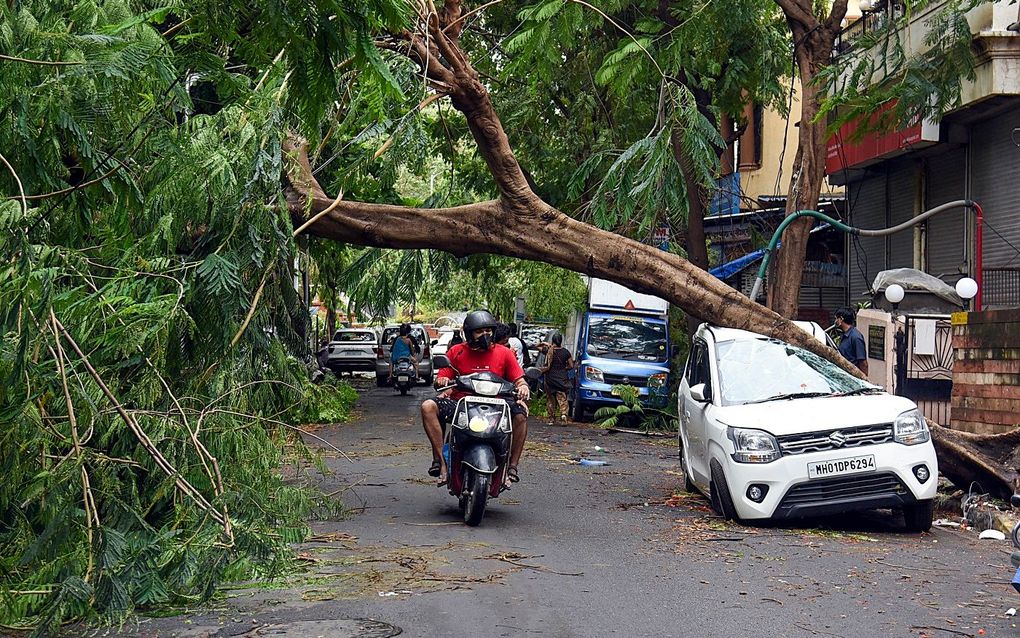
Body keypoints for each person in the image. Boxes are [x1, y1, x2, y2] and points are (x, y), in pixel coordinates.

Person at [420, 310, 531, 487]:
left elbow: (519, 379)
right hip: (461, 405)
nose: (485, 335)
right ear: (469, 333)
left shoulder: (504, 353)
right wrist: (442, 381)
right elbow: (442, 379)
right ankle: (441, 462)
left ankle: (511, 467)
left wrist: (523, 387)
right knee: (428, 406)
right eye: (480, 331)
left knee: (521, 415)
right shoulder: (456, 352)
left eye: (488, 330)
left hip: (497, 405)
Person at [542, 333, 574, 423]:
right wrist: (564, 368)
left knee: (550, 399)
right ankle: (563, 414)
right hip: (562, 378)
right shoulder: (565, 352)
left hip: (550, 378)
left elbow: (537, 346)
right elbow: (571, 365)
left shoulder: (549, 350)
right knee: (562, 398)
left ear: (552, 340)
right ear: (561, 341)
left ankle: (551, 418)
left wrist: (545, 343)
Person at [833, 307, 868, 374]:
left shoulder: (855, 337)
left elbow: (863, 363)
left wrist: (864, 380)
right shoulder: (844, 335)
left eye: (836, 318)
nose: (835, 321)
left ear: (841, 319)